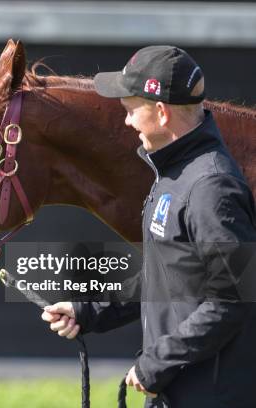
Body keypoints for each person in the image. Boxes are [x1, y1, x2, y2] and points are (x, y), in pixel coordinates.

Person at [41, 46, 256, 407]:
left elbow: (232, 301)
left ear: (161, 112)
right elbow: (170, 278)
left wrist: (157, 363)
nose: (126, 123)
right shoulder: (175, 173)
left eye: (130, 111)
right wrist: (90, 309)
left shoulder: (211, 188)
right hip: (176, 392)